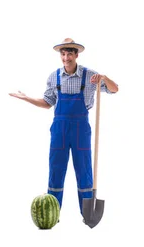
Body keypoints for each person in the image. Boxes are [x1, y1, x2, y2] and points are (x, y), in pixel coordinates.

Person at [9, 38, 118, 221]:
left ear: (77, 54)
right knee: (56, 169)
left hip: (81, 130)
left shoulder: (90, 76)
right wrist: (26, 98)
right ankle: (53, 212)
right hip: (59, 129)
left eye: (69, 54)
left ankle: (87, 213)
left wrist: (104, 78)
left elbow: (114, 89)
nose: (66, 57)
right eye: (63, 54)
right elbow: (47, 103)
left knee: (83, 170)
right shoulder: (54, 77)